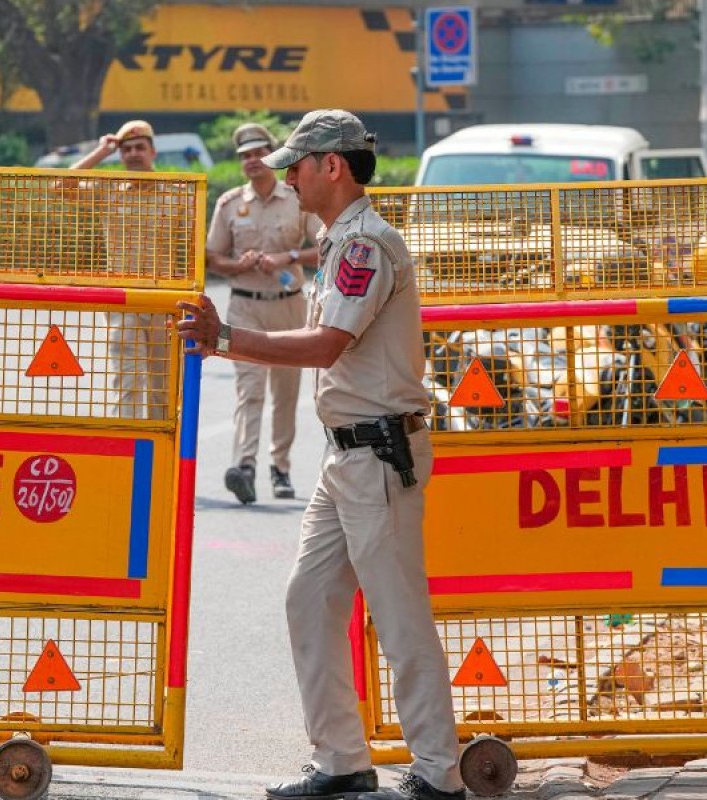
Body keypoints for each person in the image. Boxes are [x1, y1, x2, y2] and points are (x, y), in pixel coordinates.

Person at [176, 109, 464, 800]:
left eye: (295, 166)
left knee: (398, 619)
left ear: (331, 166)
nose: (287, 177)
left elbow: (325, 346)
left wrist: (226, 339)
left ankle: (438, 774)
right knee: (309, 600)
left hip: (376, 456)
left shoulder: (365, 245)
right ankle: (342, 760)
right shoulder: (341, 241)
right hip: (350, 459)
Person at [206, 123, 321, 504]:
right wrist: (237, 266)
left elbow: (325, 246)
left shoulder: (297, 199)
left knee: (285, 392)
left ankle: (280, 467)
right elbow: (212, 257)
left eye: (258, 153)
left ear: (272, 156)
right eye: (244, 156)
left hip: (289, 304)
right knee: (249, 388)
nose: (251, 161)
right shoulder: (228, 204)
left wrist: (287, 257)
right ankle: (245, 466)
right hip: (243, 305)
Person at [70, 120, 178, 420]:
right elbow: (60, 185)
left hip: (165, 301)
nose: (133, 154)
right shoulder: (108, 191)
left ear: (153, 152)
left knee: (163, 387)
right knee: (128, 381)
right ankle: (129, 452)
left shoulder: (178, 193)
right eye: (126, 149)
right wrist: (100, 152)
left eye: (139, 147)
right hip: (123, 300)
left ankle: (160, 454)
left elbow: (189, 251)